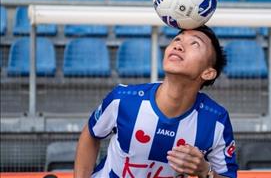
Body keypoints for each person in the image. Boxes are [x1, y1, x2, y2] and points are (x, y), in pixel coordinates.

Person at [74, 25, 238, 178]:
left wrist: (204, 170)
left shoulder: (216, 121)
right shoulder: (123, 99)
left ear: (208, 73)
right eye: (177, 39)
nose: (178, 46)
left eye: (194, 44)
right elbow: (91, 133)